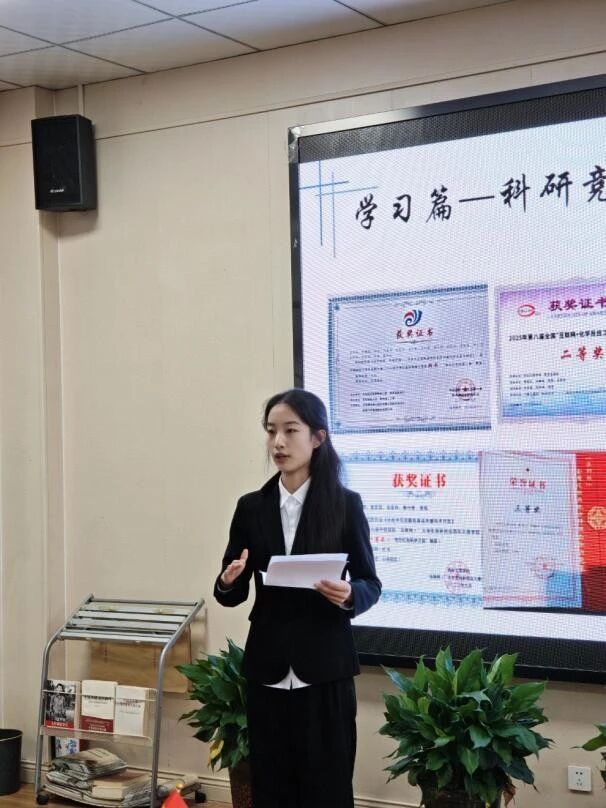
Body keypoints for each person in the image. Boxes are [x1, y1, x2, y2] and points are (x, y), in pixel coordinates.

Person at [214, 388, 381, 808]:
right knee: (271, 785)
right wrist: (230, 581)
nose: (278, 442)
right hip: (267, 667)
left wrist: (349, 594)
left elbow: (370, 582)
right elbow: (230, 592)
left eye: (290, 431)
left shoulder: (345, 505)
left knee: (327, 786)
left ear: (317, 437)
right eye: (271, 431)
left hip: (324, 668)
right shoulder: (251, 507)